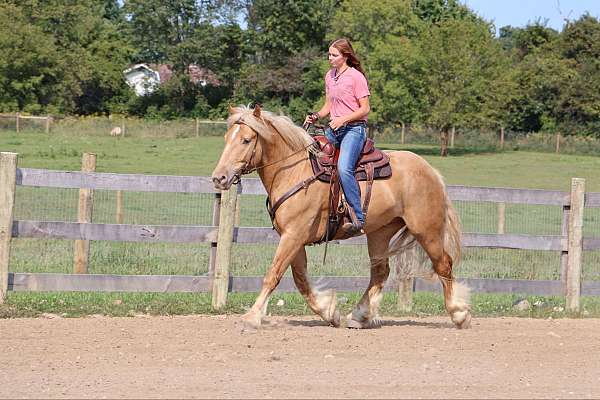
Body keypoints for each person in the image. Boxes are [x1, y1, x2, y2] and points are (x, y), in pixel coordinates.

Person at [304, 38, 370, 236]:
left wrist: (343, 120)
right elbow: (328, 106)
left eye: (334, 55)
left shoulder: (356, 77)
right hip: (334, 130)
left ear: (345, 56)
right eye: (329, 54)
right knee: (311, 157)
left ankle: (357, 217)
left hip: (354, 130)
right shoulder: (329, 76)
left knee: (343, 167)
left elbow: (365, 109)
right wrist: (316, 116)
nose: (330, 58)